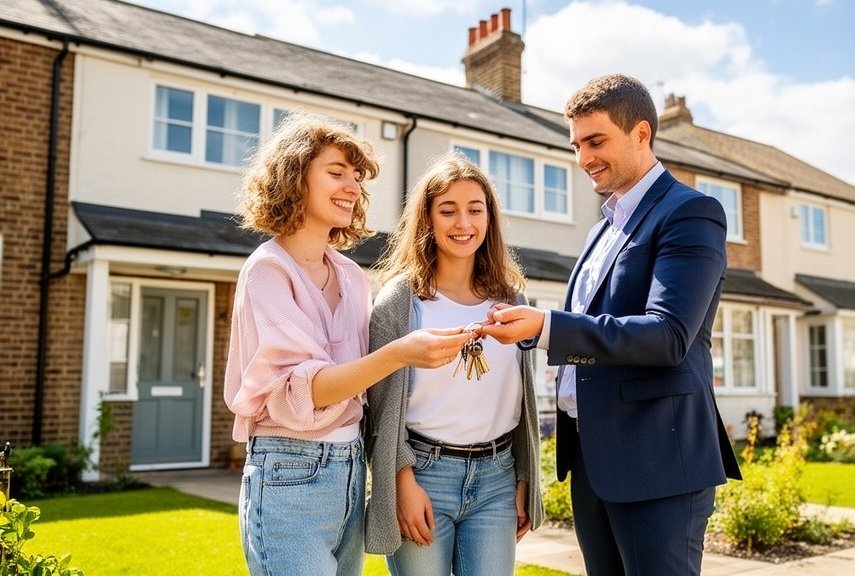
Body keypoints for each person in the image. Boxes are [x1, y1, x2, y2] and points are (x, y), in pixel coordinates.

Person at [480, 74, 742, 576]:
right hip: (595, 461)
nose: (583, 159)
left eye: (596, 141)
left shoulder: (690, 213)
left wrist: (548, 327)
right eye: (577, 144)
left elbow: (668, 336)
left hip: (658, 462)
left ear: (641, 133)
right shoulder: (604, 227)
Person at [224, 113, 472, 576]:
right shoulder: (268, 272)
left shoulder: (353, 277)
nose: (353, 188)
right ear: (294, 178)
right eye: (336, 173)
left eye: (357, 178)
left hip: (351, 468)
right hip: (288, 470)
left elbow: (369, 389)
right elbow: (308, 390)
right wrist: (400, 352)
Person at [364, 152, 544, 576]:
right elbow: (378, 409)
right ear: (427, 219)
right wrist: (401, 482)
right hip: (425, 475)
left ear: (489, 218)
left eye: (474, 210)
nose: (463, 223)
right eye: (448, 210)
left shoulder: (513, 300)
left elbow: (522, 403)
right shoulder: (400, 302)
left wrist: (522, 478)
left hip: (498, 482)